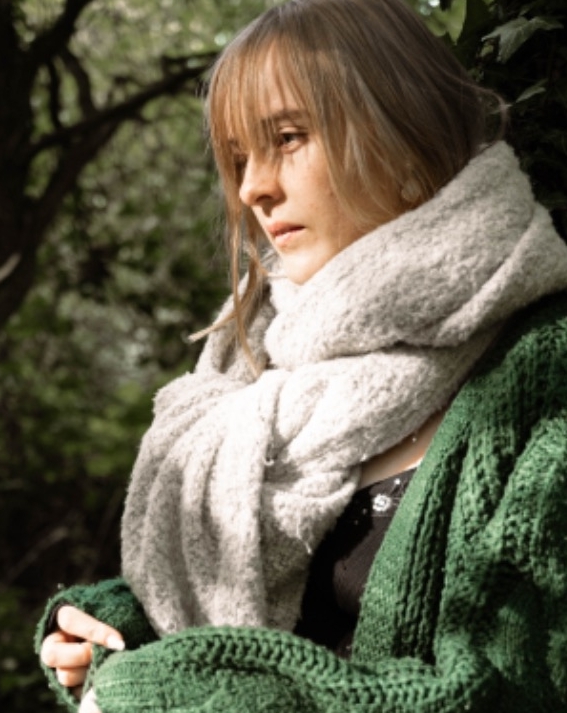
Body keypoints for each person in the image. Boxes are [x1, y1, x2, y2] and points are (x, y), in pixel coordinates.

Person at [36, 0, 567, 711]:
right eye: (238, 158)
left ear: (406, 136)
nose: (251, 187)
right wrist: (114, 633)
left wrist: (171, 687)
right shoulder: (253, 358)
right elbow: (224, 612)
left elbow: (513, 688)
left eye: (287, 137)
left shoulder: (543, 368)